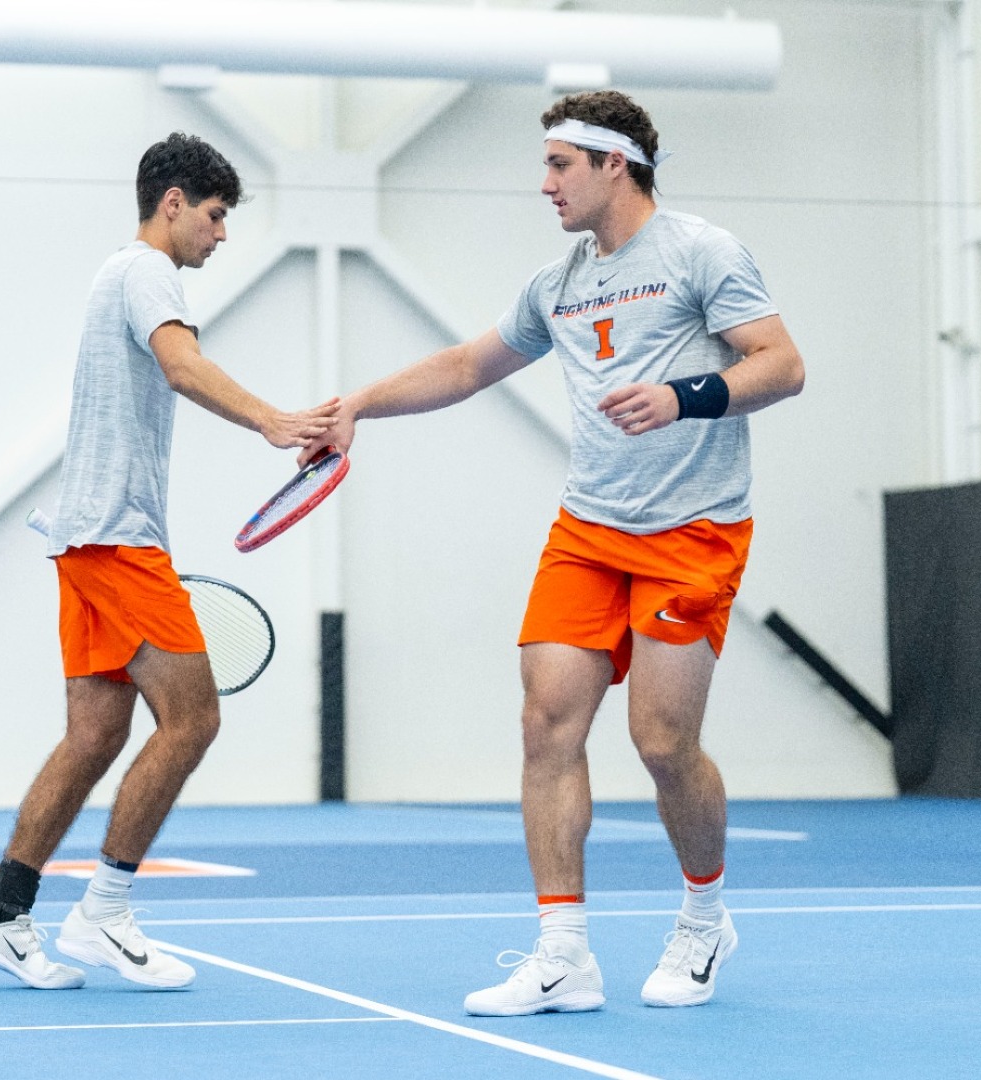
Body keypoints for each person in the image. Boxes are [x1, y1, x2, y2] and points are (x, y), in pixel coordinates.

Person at [304, 91, 804, 1014]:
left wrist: (685, 395)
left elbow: (781, 363)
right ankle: (563, 952)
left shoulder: (702, 252)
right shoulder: (560, 281)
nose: (545, 184)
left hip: (693, 528)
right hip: (588, 529)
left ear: (616, 163)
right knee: (546, 725)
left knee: (661, 741)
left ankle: (703, 918)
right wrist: (358, 406)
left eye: (560, 165)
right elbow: (465, 366)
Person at [0, 132, 338, 991]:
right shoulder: (145, 271)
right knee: (194, 720)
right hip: (117, 540)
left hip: (84, 536)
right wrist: (275, 421)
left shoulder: (114, 276)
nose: (222, 234)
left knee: (94, 735)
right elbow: (182, 364)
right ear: (172, 203)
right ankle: (105, 912)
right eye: (216, 214)